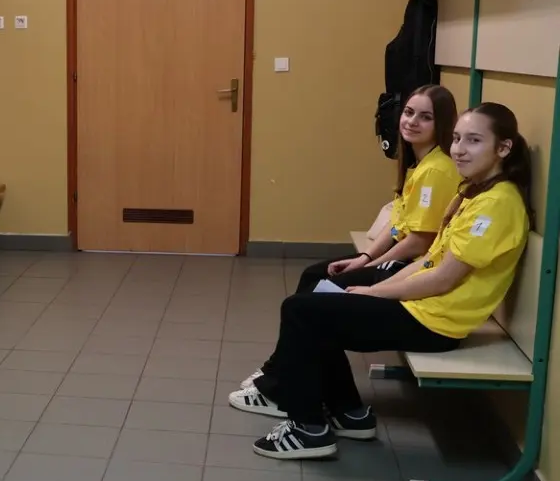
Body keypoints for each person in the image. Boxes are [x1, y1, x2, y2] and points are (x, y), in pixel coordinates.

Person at [228, 103, 532, 459]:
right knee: (314, 307)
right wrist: (373, 290)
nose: (459, 150)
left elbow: (441, 279)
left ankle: (308, 429)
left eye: (474, 140)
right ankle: (348, 414)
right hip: (424, 309)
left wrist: (374, 293)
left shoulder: (497, 204)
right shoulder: (475, 192)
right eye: (457, 139)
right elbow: (428, 262)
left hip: (436, 324)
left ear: (503, 148)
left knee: (302, 312)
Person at [231, 85, 460, 414]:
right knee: (313, 277)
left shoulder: (437, 169)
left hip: (408, 270)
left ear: (442, 124)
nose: (412, 121)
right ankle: (281, 369)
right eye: (409, 112)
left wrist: (370, 265)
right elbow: (397, 225)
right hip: (402, 262)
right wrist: (364, 258)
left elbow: (420, 241)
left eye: (426, 117)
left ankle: (282, 382)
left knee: (309, 306)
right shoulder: (419, 163)